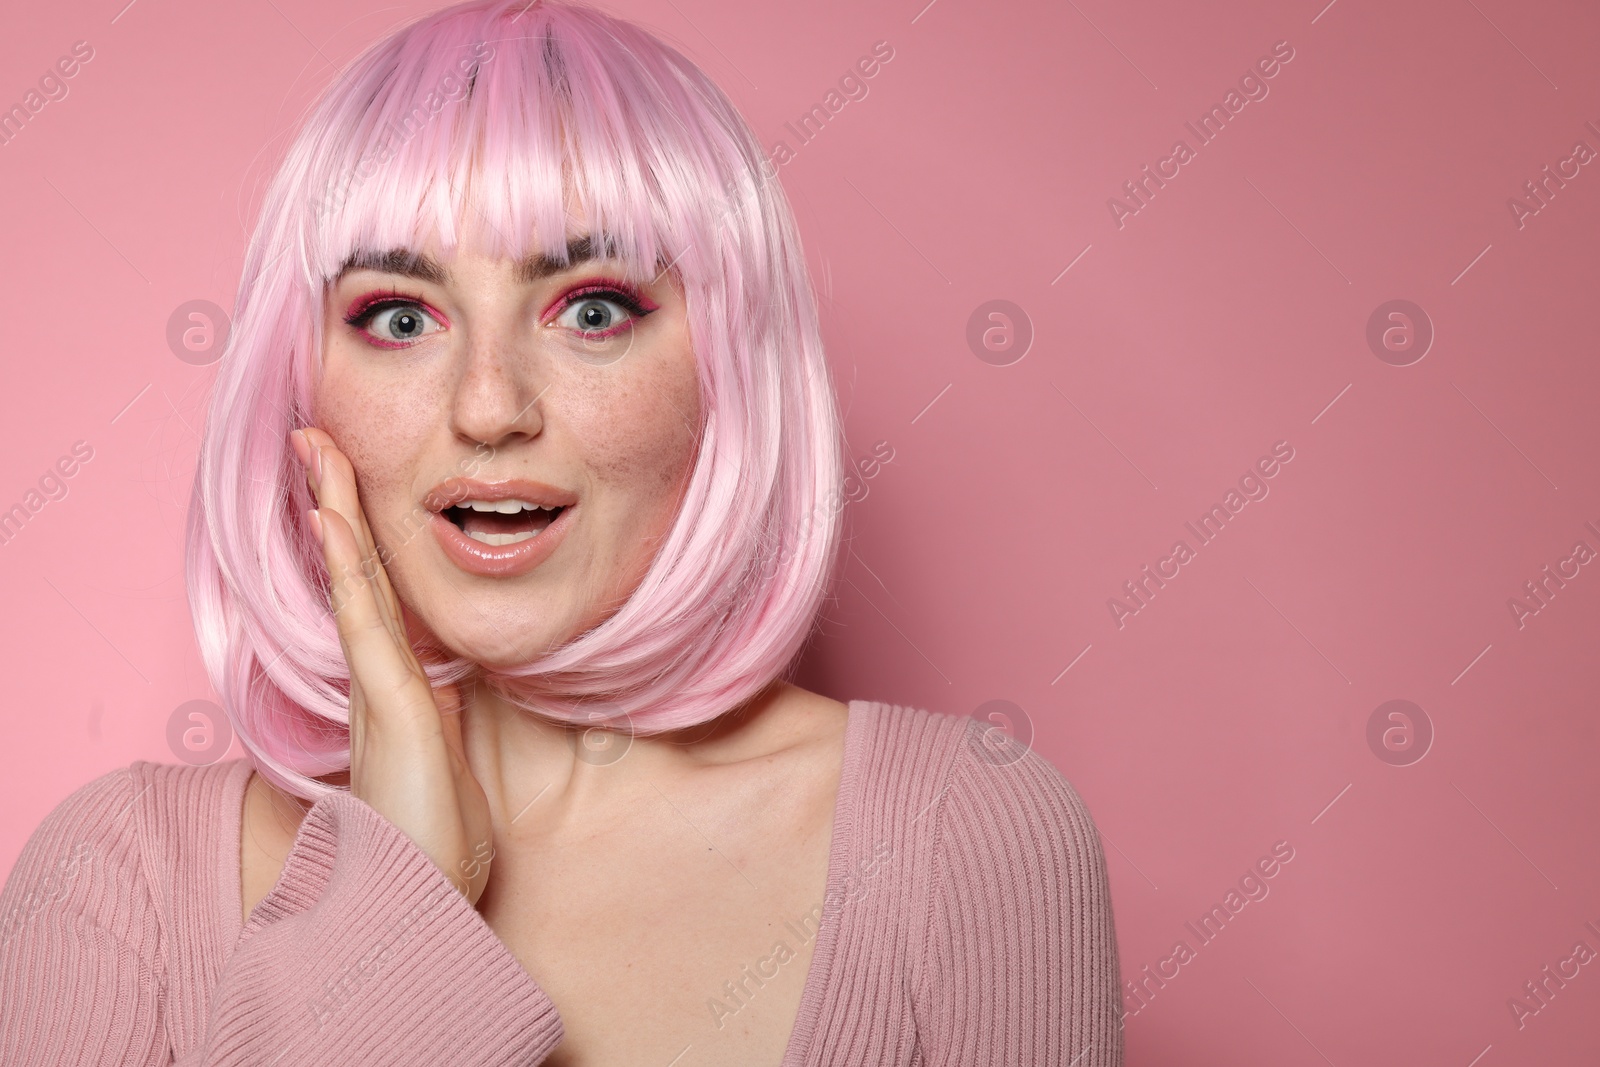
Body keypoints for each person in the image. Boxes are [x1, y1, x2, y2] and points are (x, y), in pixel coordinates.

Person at [0, 1, 1124, 1063]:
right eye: (398, 316)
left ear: (724, 372)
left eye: (592, 308)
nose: (489, 407)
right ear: (299, 386)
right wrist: (389, 903)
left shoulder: (965, 838)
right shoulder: (117, 882)